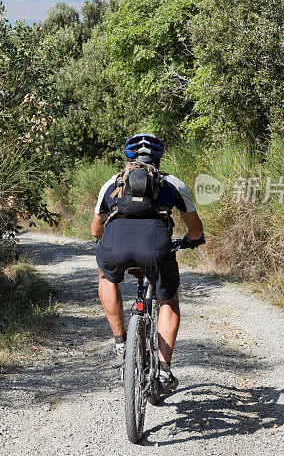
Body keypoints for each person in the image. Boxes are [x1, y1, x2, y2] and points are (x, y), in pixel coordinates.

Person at [91, 133, 204, 394]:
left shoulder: (112, 182)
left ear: (128, 157)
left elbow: (97, 231)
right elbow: (196, 230)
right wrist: (188, 241)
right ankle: (163, 370)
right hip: (155, 246)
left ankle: (120, 340)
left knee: (106, 276)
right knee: (169, 300)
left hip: (115, 244)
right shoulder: (173, 183)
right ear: (159, 156)